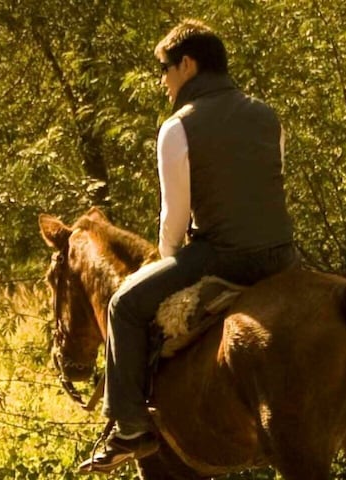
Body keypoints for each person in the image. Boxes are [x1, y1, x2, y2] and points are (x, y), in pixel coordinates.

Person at [79, 20, 301, 473]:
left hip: (222, 256)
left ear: (187, 64)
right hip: (282, 256)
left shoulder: (177, 128)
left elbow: (175, 220)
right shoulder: (268, 115)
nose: (162, 80)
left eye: (164, 68)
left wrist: (166, 265)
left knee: (123, 305)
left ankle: (130, 427)